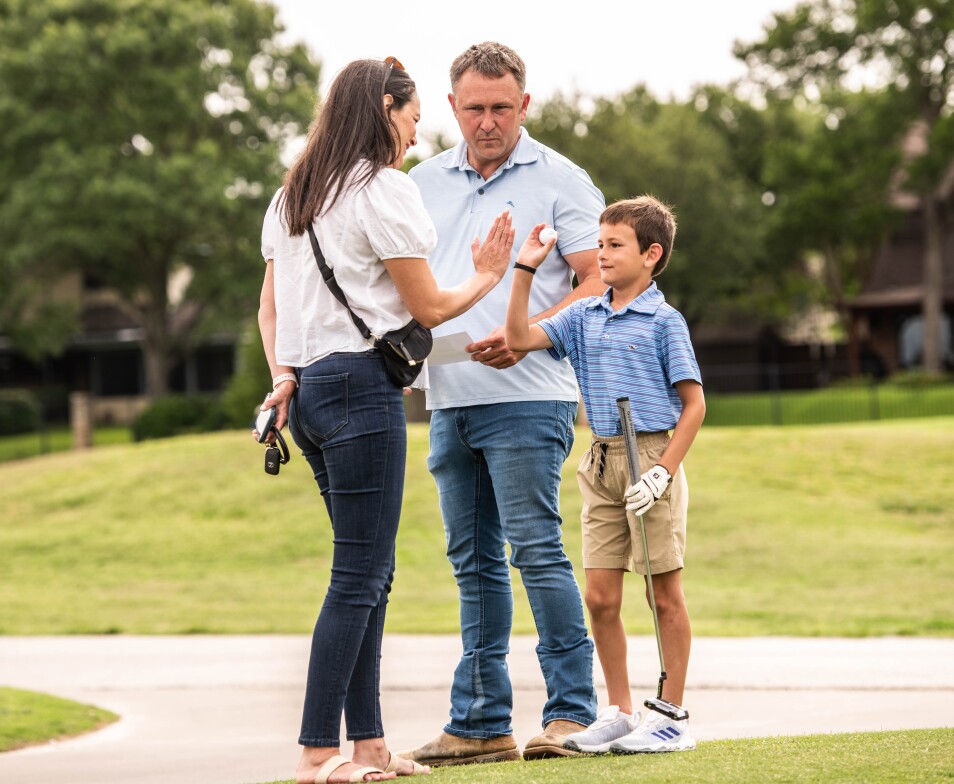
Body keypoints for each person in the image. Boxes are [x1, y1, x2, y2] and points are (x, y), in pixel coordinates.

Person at [257, 57, 514, 784]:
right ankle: (316, 755)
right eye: (410, 115)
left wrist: (281, 378)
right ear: (384, 110)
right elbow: (429, 308)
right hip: (360, 392)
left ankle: (368, 748)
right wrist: (488, 276)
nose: (414, 129)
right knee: (358, 576)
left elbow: (268, 309)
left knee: (374, 572)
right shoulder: (382, 190)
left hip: (305, 394)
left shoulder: (291, 198)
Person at [400, 42, 605, 766]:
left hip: (531, 395)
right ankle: (482, 722)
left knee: (536, 552)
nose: (488, 121)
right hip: (449, 397)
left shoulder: (561, 179)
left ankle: (572, 715)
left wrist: (530, 335)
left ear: (525, 105)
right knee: (473, 563)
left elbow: (597, 282)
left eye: (501, 107)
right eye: (474, 108)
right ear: (452, 107)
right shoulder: (419, 182)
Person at [505, 196, 705, 754]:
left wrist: (664, 473)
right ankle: (618, 711)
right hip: (601, 462)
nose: (602, 254)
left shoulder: (665, 321)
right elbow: (519, 338)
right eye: (600, 243)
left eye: (615, 245)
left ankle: (670, 717)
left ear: (651, 254)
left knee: (662, 594)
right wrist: (525, 268)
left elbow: (695, 406)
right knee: (599, 596)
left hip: (653, 460)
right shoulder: (582, 315)